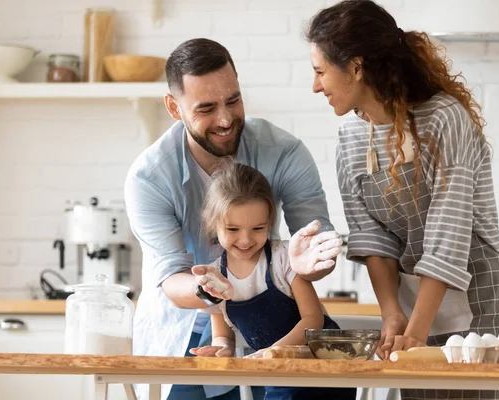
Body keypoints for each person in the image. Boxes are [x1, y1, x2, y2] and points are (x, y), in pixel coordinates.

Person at [305, 1, 499, 399]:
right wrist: (392, 315)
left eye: (320, 71)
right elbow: (372, 237)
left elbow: (448, 231)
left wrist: (416, 330)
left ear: (355, 67)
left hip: (478, 296)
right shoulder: (351, 139)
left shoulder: (443, 118)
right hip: (411, 299)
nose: (315, 85)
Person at [124, 38, 343, 400]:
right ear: (174, 108)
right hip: (185, 334)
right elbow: (170, 276)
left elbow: (317, 242)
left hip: (270, 334)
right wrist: (210, 289)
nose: (225, 119)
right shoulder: (149, 177)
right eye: (206, 108)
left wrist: (306, 265)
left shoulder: (284, 152)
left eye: (233, 100)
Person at [189, 160, 356, 400]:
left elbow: (313, 319)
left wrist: (275, 351)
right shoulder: (215, 277)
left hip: (324, 367)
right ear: (213, 224)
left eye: (258, 228)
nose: (245, 240)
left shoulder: (284, 259)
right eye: (233, 230)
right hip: (278, 374)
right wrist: (222, 348)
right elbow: (222, 333)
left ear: (270, 222)